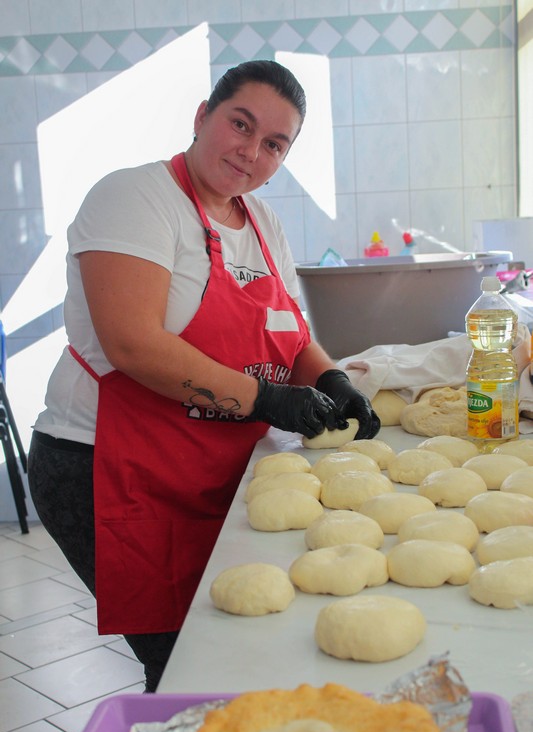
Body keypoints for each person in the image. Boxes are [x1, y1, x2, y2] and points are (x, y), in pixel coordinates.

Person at [28, 60, 380, 692]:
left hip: (207, 465)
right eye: (240, 124)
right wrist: (269, 399)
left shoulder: (262, 223)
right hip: (110, 466)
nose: (251, 152)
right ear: (202, 116)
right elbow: (133, 343)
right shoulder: (134, 197)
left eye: (274, 144)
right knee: (189, 665)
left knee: (231, 640)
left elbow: (290, 336)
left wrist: (331, 381)